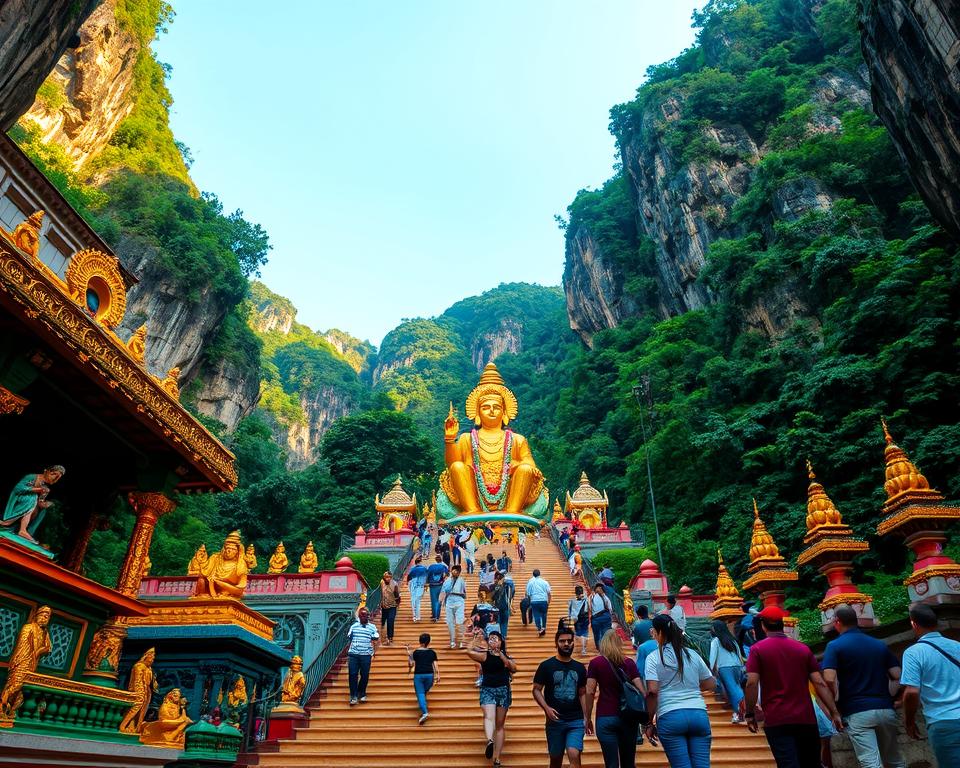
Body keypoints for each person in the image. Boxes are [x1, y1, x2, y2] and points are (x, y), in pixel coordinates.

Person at [743, 606, 843, 768]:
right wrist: (834, 712)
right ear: (782, 624)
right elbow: (819, 682)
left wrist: (749, 713)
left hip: (777, 719)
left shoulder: (757, 650)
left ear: (763, 625)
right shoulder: (802, 649)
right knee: (811, 763)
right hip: (806, 718)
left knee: (788, 764)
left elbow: (752, 683)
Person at [820, 605, 904, 768]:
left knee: (870, 762)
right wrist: (891, 697)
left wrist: (835, 705)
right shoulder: (878, 644)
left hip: (856, 710)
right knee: (894, 759)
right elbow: (897, 675)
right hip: (885, 708)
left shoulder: (835, 646)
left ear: (837, 622)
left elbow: (829, 678)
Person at [643, 613, 714, 768]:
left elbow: (653, 691)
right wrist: (691, 687)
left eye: (653, 631)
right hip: (698, 714)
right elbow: (710, 683)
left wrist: (648, 722)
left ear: (659, 633)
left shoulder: (654, 657)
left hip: (670, 715)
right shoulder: (692, 654)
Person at [900, 603, 960, 768]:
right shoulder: (957, 646)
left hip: (944, 723)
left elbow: (911, 692)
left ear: (914, 624)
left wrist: (909, 721)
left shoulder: (913, 652)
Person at [533, 626, 591, 768]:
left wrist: (587, 717)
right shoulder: (546, 666)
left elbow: (582, 693)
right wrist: (546, 709)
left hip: (575, 720)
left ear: (573, 643)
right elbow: (536, 690)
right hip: (555, 721)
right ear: (556, 643)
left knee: (573, 753)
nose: (566, 644)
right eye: (562, 641)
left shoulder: (579, 668)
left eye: (569, 641)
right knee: (555, 759)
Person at [587, 628, 645, 768]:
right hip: (628, 717)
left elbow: (590, 691)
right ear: (619, 643)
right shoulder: (629, 663)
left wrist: (587, 717)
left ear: (603, 644)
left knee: (611, 763)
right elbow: (642, 691)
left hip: (605, 716)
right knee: (628, 763)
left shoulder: (596, 663)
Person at [467, 630, 517, 766]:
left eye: (496, 638)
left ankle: (497, 758)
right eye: (491, 639)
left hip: (503, 690)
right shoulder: (484, 656)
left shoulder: (506, 656)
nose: (493, 640)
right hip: (487, 689)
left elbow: (513, 668)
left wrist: (501, 654)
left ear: (501, 642)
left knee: (500, 725)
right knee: (488, 716)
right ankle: (490, 741)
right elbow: (469, 652)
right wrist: (476, 639)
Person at [2, 466, 64, 544]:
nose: (55, 478)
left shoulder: (45, 488)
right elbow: (18, 488)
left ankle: (25, 530)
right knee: (32, 497)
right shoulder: (31, 477)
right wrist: (37, 490)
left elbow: (40, 502)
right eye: (54, 474)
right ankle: (17, 526)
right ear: (46, 471)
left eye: (58, 477)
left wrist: (45, 504)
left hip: (31, 507)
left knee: (42, 510)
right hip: (18, 499)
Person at [708, 619, 746, 724]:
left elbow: (712, 658)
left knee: (733, 689)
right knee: (735, 687)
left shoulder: (715, 641)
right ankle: (739, 710)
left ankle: (740, 712)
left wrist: (710, 671)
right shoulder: (732, 640)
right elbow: (739, 655)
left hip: (725, 668)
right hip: (737, 667)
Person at [346, 607, 379, 706]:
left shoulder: (372, 627)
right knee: (353, 675)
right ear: (359, 617)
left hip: (366, 654)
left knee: (365, 675)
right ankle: (353, 696)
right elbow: (349, 637)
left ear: (368, 616)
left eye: (366, 615)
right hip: (354, 654)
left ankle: (362, 692)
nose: (364, 617)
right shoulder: (354, 626)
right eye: (362, 615)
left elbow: (376, 639)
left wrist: (373, 652)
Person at [406, 632, 439, 725]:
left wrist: (409, 655)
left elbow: (411, 664)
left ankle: (425, 712)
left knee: (420, 693)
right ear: (428, 642)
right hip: (430, 675)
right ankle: (423, 702)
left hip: (419, 675)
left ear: (420, 641)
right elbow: (435, 664)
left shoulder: (415, 652)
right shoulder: (432, 652)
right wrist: (438, 674)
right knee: (424, 691)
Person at [440, 564, 468, 649]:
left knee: (460, 622)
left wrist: (457, 593)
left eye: (457, 571)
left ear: (459, 573)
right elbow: (443, 592)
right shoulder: (447, 581)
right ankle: (452, 641)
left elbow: (464, 594)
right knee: (450, 623)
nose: (455, 572)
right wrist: (441, 602)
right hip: (449, 603)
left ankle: (461, 641)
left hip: (459, 603)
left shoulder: (462, 581)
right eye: (454, 571)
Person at [526, 568, 552, 636]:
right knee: (544, 615)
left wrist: (529, 602)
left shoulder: (530, 582)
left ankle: (539, 628)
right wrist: (548, 602)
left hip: (534, 601)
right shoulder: (545, 582)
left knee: (536, 615)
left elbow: (528, 594)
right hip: (543, 600)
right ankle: (543, 627)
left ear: (533, 575)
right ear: (539, 574)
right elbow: (549, 593)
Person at [379, 571, 401, 645]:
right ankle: (382, 636)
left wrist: (398, 605)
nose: (387, 579)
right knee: (383, 621)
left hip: (392, 605)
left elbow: (397, 596)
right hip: (384, 605)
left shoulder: (394, 584)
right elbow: (381, 593)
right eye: (386, 577)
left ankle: (390, 637)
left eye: (389, 577)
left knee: (390, 621)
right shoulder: (382, 582)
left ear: (391, 577)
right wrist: (381, 602)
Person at [589, 583, 613, 650]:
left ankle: (599, 648)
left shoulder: (592, 597)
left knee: (597, 635)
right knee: (606, 633)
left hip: (596, 618)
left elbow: (589, 608)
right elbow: (610, 609)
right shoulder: (606, 598)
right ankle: (605, 648)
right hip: (606, 616)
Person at [568, 585, 590, 656]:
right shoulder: (586, 599)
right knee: (585, 633)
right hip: (585, 617)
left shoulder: (572, 600)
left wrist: (569, 617)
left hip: (576, 619)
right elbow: (589, 606)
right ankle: (583, 649)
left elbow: (569, 609)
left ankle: (576, 638)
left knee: (578, 633)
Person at [426, 555, 448, 622]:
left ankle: (434, 615)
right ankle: (437, 616)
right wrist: (443, 579)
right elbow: (447, 574)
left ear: (435, 560)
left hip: (432, 586)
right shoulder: (443, 567)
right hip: (440, 585)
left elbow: (428, 575)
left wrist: (427, 582)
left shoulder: (431, 567)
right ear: (441, 560)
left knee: (433, 601)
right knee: (439, 601)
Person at [407, 555, 428, 622]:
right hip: (421, 587)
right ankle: (418, 616)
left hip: (413, 586)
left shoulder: (412, 569)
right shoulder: (425, 568)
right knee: (418, 602)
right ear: (420, 562)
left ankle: (415, 616)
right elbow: (426, 578)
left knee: (413, 602)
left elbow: (409, 578)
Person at [492, 571, 512, 639]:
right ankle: (502, 635)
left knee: (502, 622)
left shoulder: (504, 585)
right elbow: (493, 596)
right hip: (501, 607)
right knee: (501, 622)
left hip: (501, 606)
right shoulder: (499, 586)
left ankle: (503, 635)